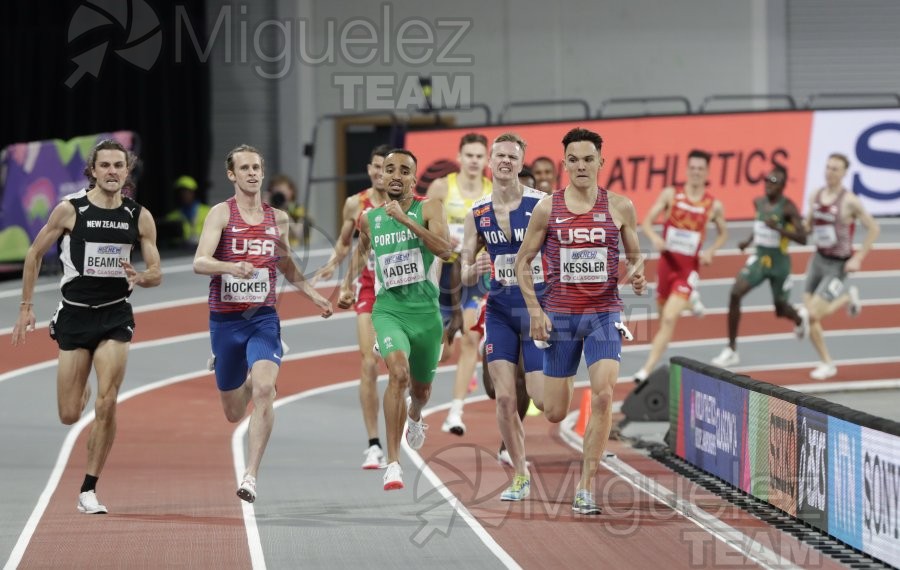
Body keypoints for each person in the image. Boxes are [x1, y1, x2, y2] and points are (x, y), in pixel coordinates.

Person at [11, 139, 162, 514]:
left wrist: (142, 278)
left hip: (115, 314)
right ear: (92, 170)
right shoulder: (70, 210)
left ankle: (89, 488)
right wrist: (26, 308)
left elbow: (156, 271)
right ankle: (84, 382)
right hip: (75, 315)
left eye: (119, 165)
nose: (112, 171)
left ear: (128, 171)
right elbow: (33, 255)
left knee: (107, 403)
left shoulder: (138, 215)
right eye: (105, 165)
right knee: (69, 414)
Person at [515, 127, 646, 515]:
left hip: (604, 313)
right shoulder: (547, 208)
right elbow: (523, 262)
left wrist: (637, 274)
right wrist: (535, 312)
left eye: (589, 159)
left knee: (603, 394)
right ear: (565, 163)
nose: (581, 166)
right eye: (574, 159)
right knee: (554, 410)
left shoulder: (620, 206)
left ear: (601, 162)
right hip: (561, 317)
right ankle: (542, 369)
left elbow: (636, 255)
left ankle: (586, 485)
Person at [193, 144, 333, 503]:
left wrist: (313, 294)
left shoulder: (278, 218)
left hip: (263, 319)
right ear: (232, 175)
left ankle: (250, 476)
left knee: (265, 391)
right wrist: (229, 267)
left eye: (257, 167)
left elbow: (285, 264)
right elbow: (200, 262)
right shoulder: (220, 214)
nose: (253, 173)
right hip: (225, 321)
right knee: (233, 411)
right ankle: (232, 368)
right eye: (245, 168)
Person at [338, 149, 454, 491]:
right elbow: (361, 250)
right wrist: (347, 284)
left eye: (404, 170)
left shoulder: (430, 207)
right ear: (381, 175)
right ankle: (393, 463)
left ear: (413, 178)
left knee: (421, 389)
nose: (396, 175)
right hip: (389, 311)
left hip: (426, 314)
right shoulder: (369, 217)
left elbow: (445, 249)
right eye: (390, 169)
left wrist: (406, 221)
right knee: (398, 374)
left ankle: (416, 416)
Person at [461, 133, 546, 500]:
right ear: (490, 162)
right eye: (500, 156)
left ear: (521, 162)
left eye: (513, 156)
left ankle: (568, 363)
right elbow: (463, 271)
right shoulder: (476, 213)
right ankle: (521, 473)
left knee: (546, 403)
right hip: (499, 311)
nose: (506, 161)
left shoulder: (542, 204)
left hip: (537, 309)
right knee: (505, 399)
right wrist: (474, 267)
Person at [318, 144, 390, 469]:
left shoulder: (407, 204)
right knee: (368, 363)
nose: (380, 173)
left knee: (403, 366)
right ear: (370, 168)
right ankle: (374, 443)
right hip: (370, 291)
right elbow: (347, 242)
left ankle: (412, 413)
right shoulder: (355, 203)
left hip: (404, 292)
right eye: (376, 166)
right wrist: (336, 269)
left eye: (386, 167)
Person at [632, 150, 727, 383]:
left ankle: (646, 370)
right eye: (692, 168)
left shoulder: (713, 205)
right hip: (666, 267)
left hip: (688, 270)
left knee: (668, 319)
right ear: (687, 170)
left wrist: (711, 251)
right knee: (663, 317)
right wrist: (655, 238)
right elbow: (646, 221)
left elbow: (723, 233)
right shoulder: (671, 195)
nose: (695, 172)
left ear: (706, 172)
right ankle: (692, 300)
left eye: (700, 169)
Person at [427, 133, 491, 436]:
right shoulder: (442, 187)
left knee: (470, 339)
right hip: (443, 272)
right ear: (460, 156)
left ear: (486, 159)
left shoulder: (492, 192)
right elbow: (422, 223)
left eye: (480, 156)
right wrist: (442, 237)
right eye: (470, 155)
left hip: (475, 274)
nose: (475, 161)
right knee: (444, 345)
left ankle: (455, 412)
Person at [711, 166, 809, 367]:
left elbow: (803, 239)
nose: (768, 185)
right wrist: (748, 242)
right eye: (767, 180)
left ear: (783, 186)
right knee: (735, 293)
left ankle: (799, 317)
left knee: (780, 310)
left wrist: (780, 229)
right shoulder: (758, 202)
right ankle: (731, 349)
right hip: (760, 257)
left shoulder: (788, 208)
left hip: (779, 262)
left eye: (774, 182)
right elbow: (759, 226)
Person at [802, 153, 880, 380]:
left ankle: (828, 362)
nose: (830, 172)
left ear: (844, 173)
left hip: (838, 265)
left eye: (835, 169)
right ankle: (826, 361)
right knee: (809, 317)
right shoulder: (815, 195)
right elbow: (808, 225)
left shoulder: (850, 201)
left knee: (812, 313)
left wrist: (858, 258)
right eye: (827, 167)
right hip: (817, 260)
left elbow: (873, 229)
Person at [265, 174, 307, 247]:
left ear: (291, 192)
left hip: (293, 249)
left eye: (282, 193)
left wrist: (285, 214)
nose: (279, 197)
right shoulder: (268, 211)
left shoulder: (296, 209)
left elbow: (298, 235)